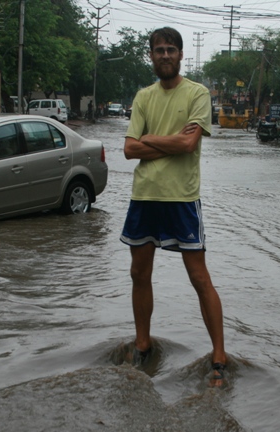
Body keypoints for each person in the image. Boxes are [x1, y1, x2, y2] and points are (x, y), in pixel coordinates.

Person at [120, 27, 228, 386]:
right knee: (139, 274)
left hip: (181, 197)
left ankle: (219, 356)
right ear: (150, 56)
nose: (164, 55)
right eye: (158, 50)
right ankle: (142, 344)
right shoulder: (143, 97)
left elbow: (188, 145)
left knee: (199, 277)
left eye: (170, 50)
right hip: (145, 194)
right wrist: (161, 141)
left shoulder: (198, 93)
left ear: (181, 55)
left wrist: (149, 139)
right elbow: (129, 149)